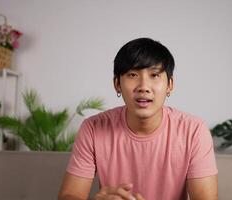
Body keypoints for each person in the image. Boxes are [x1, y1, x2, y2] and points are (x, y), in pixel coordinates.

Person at [58, 38, 218, 200]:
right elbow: (69, 195)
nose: (143, 86)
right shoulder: (93, 128)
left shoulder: (194, 131)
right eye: (133, 74)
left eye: (154, 75)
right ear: (117, 84)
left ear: (170, 84)